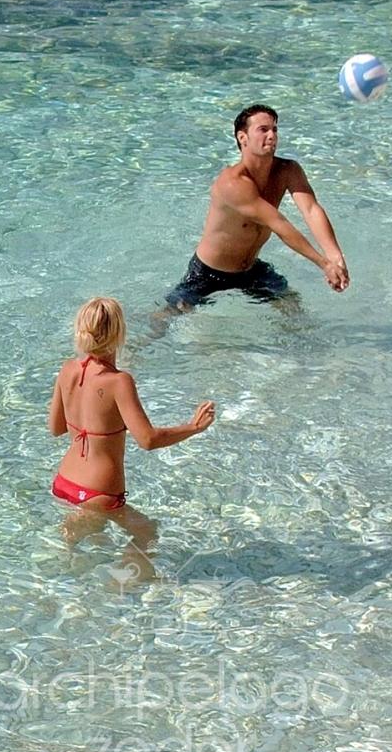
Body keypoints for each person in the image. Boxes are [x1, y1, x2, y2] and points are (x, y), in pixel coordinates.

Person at [47, 296, 214, 554]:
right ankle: (120, 581)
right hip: (98, 492)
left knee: (85, 547)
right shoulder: (119, 382)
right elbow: (148, 440)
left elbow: (56, 428)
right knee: (147, 532)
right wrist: (193, 427)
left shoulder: (68, 369)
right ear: (119, 333)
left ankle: (74, 563)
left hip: (64, 483)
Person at [162, 104, 349, 315]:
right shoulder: (232, 183)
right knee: (168, 316)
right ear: (243, 138)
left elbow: (311, 210)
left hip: (251, 270)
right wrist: (324, 264)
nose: (272, 136)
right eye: (263, 129)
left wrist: (335, 256)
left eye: (275, 129)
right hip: (209, 273)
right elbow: (279, 224)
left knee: (293, 308)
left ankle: (298, 338)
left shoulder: (288, 170)